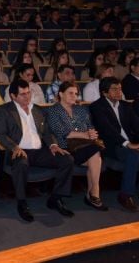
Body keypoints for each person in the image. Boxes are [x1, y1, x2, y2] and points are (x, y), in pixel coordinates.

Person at [0, 80, 74, 222]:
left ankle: (56, 198)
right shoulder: (3, 111)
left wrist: (53, 145)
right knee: (21, 164)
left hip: (39, 151)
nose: (27, 97)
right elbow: (0, 134)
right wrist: (14, 147)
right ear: (13, 96)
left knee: (67, 160)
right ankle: (22, 202)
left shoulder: (38, 109)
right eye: (22, 94)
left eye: (28, 93)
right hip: (18, 151)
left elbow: (47, 132)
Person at [90, 78, 139, 212]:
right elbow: (107, 130)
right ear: (104, 93)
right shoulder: (97, 107)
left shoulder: (125, 105)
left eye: (120, 89)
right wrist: (127, 144)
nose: (118, 92)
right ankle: (125, 195)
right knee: (132, 154)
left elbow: (138, 125)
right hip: (111, 145)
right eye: (114, 89)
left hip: (130, 143)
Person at [46, 82, 107, 211]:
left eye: (76, 94)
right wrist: (85, 134)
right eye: (70, 93)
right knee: (95, 153)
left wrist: (91, 133)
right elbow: (61, 132)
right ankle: (94, 193)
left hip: (86, 147)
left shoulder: (81, 110)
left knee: (94, 155)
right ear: (61, 94)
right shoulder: (52, 111)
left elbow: (90, 127)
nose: (74, 96)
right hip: (66, 148)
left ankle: (93, 193)